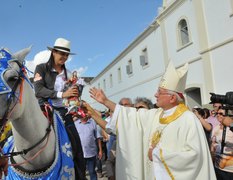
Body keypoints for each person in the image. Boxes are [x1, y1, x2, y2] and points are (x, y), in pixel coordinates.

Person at [83, 61, 216, 179]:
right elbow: (131, 117)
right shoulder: (157, 114)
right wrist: (106, 101)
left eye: (160, 92)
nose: (155, 95)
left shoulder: (188, 119)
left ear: (172, 98)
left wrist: (158, 154)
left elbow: (194, 156)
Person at [33, 37, 86, 179]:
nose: (64, 57)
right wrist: (63, 93)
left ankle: (80, 176)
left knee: (76, 146)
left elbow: (73, 96)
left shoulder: (69, 73)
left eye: (67, 54)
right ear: (54, 52)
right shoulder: (41, 68)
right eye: (62, 53)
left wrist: (77, 90)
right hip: (44, 109)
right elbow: (38, 91)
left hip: (64, 112)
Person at [75, 115, 102, 180]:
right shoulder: (75, 124)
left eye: (84, 112)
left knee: (92, 171)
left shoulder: (92, 123)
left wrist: (100, 150)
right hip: (80, 154)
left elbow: (98, 138)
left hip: (91, 153)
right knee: (82, 173)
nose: (83, 115)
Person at [211, 108, 233, 179]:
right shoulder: (216, 128)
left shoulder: (231, 127)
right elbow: (213, 145)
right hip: (218, 167)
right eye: (217, 113)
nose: (218, 115)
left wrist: (231, 125)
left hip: (230, 169)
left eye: (221, 114)